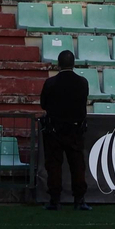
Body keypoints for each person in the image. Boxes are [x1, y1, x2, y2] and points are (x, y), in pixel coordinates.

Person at [40, 49, 91, 211]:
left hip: (54, 129)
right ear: (73, 64)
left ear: (58, 64)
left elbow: (43, 104)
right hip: (75, 130)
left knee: (54, 165)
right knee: (77, 165)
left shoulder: (50, 83)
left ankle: (55, 200)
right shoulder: (82, 82)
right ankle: (79, 200)